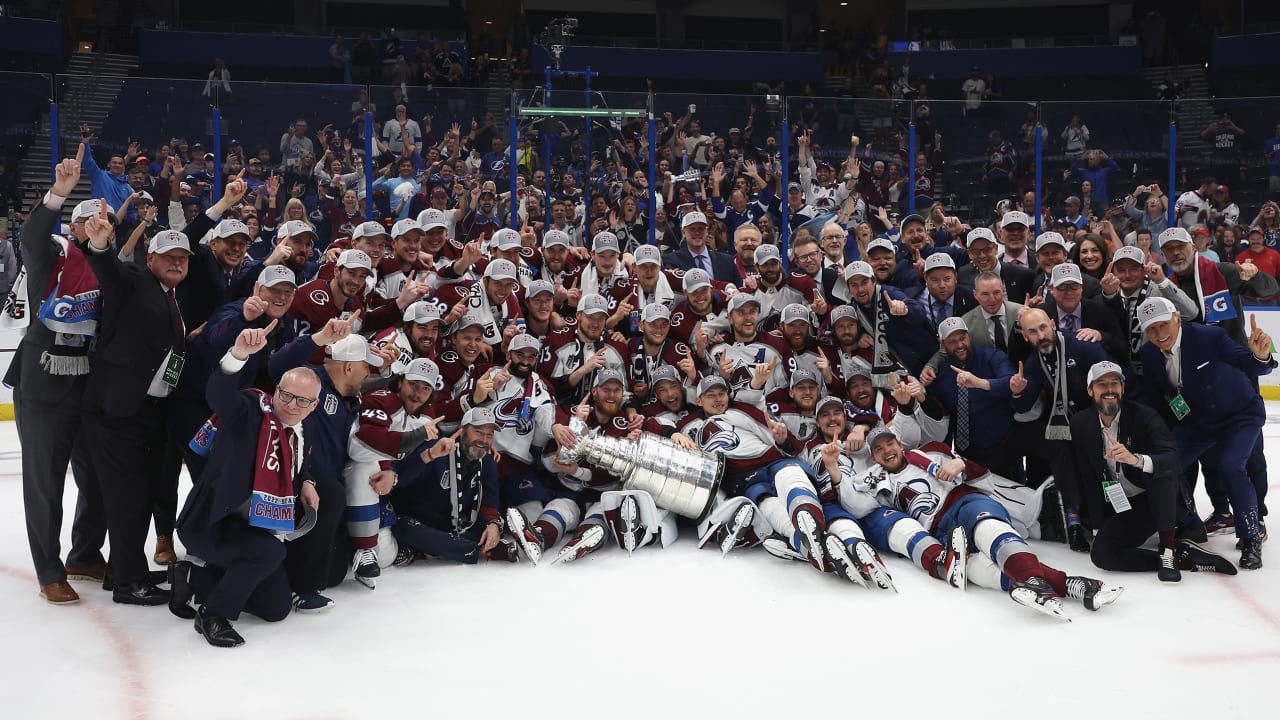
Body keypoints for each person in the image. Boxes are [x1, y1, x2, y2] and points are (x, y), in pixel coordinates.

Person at [857, 427, 1123, 619]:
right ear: (874, 459)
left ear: (899, 444)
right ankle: (1074, 585)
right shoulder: (877, 483)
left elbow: (982, 478)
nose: (886, 451)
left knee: (988, 530)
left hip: (965, 503)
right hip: (939, 531)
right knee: (976, 570)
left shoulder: (931, 452)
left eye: (889, 444)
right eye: (878, 450)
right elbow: (855, 503)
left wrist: (961, 464)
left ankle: (1032, 581)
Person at [169, 323, 323, 647]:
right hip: (212, 524)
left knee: (276, 608)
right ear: (276, 389)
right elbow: (219, 396)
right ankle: (213, 614)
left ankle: (193, 577)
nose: (291, 405)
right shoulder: (251, 411)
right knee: (270, 552)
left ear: (314, 406)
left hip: (252, 527)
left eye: (302, 401)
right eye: (286, 394)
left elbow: (301, 462)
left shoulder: (302, 431)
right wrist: (237, 355)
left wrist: (306, 481)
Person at [9, 145, 108, 605]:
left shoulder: (113, 267)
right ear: (72, 227)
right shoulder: (52, 256)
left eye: (102, 222)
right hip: (45, 382)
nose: (95, 229)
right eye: (86, 222)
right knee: (45, 481)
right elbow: (29, 238)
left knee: (99, 474)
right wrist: (55, 195)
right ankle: (49, 569)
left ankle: (85, 553)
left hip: (91, 386)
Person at [1137, 297, 1273, 570]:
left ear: (1177, 318)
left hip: (1239, 416)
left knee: (1231, 466)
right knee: (1164, 464)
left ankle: (1250, 538)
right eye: (1151, 329)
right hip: (1197, 421)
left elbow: (1248, 363)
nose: (1159, 333)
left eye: (1164, 324)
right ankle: (1190, 524)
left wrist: (1260, 356)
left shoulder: (1208, 336)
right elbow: (1152, 397)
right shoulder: (1149, 353)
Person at [1067, 361, 1234, 581]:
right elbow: (1089, 478)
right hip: (1130, 506)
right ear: (1090, 390)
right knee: (1101, 554)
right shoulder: (1081, 424)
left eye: (1114, 383)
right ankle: (1183, 556)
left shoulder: (1144, 417)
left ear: (1122, 389)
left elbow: (1172, 460)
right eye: (1102, 384)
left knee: (1159, 469)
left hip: (1168, 500)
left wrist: (1136, 460)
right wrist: (1099, 526)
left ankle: (1167, 549)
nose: (1109, 390)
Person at [390, 407, 515, 565]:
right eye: (478, 432)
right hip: (421, 521)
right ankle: (476, 549)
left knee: (490, 526)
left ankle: (429, 549)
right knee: (404, 528)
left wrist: (493, 525)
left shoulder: (488, 460)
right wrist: (429, 455)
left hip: (456, 526)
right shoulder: (438, 447)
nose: (484, 440)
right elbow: (400, 481)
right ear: (462, 431)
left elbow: (489, 501)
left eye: (489, 435)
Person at [662, 211, 742, 285]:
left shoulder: (727, 261)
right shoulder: (672, 260)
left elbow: (738, 286)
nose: (697, 232)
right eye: (692, 229)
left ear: (707, 231)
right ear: (683, 232)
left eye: (701, 228)